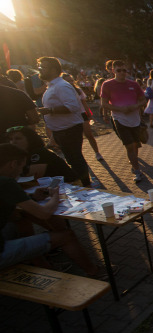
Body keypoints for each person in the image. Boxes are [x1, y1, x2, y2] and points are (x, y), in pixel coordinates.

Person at [0, 143, 100, 276]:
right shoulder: (6, 182)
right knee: (67, 236)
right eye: (21, 167)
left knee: (20, 218)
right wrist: (55, 197)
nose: (21, 172)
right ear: (13, 164)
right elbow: (45, 214)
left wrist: (32, 197)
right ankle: (95, 273)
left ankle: (47, 268)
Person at [36, 57, 91, 186]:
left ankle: (86, 185)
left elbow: (72, 106)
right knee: (73, 159)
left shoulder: (61, 86)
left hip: (69, 130)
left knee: (75, 159)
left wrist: (50, 110)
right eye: (40, 67)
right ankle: (84, 184)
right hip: (62, 130)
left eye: (43, 67)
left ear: (54, 70)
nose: (40, 70)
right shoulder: (52, 86)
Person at [100, 60, 147, 182]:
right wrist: (119, 109)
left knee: (135, 144)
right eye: (118, 70)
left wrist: (135, 106)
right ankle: (137, 171)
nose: (121, 73)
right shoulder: (107, 85)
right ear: (113, 71)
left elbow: (143, 100)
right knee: (129, 145)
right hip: (119, 119)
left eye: (124, 70)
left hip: (135, 118)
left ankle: (133, 162)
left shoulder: (134, 84)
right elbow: (104, 104)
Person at [6, 126, 77, 182]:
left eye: (18, 138)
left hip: (70, 186)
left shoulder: (40, 153)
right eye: (11, 139)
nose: (13, 142)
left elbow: (31, 174)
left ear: (30, 140)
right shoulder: (20, 154)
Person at [61, 73, 103, 161]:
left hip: (82, 114)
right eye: (67, 81)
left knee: (89, 135)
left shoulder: (78, 90)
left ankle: (97, 153)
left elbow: (84, 104)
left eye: (71, 80)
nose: (70, 82)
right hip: (71, 116)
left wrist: (90, 115)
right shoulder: (62, 92)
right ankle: (80, 156)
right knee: (76, 138)